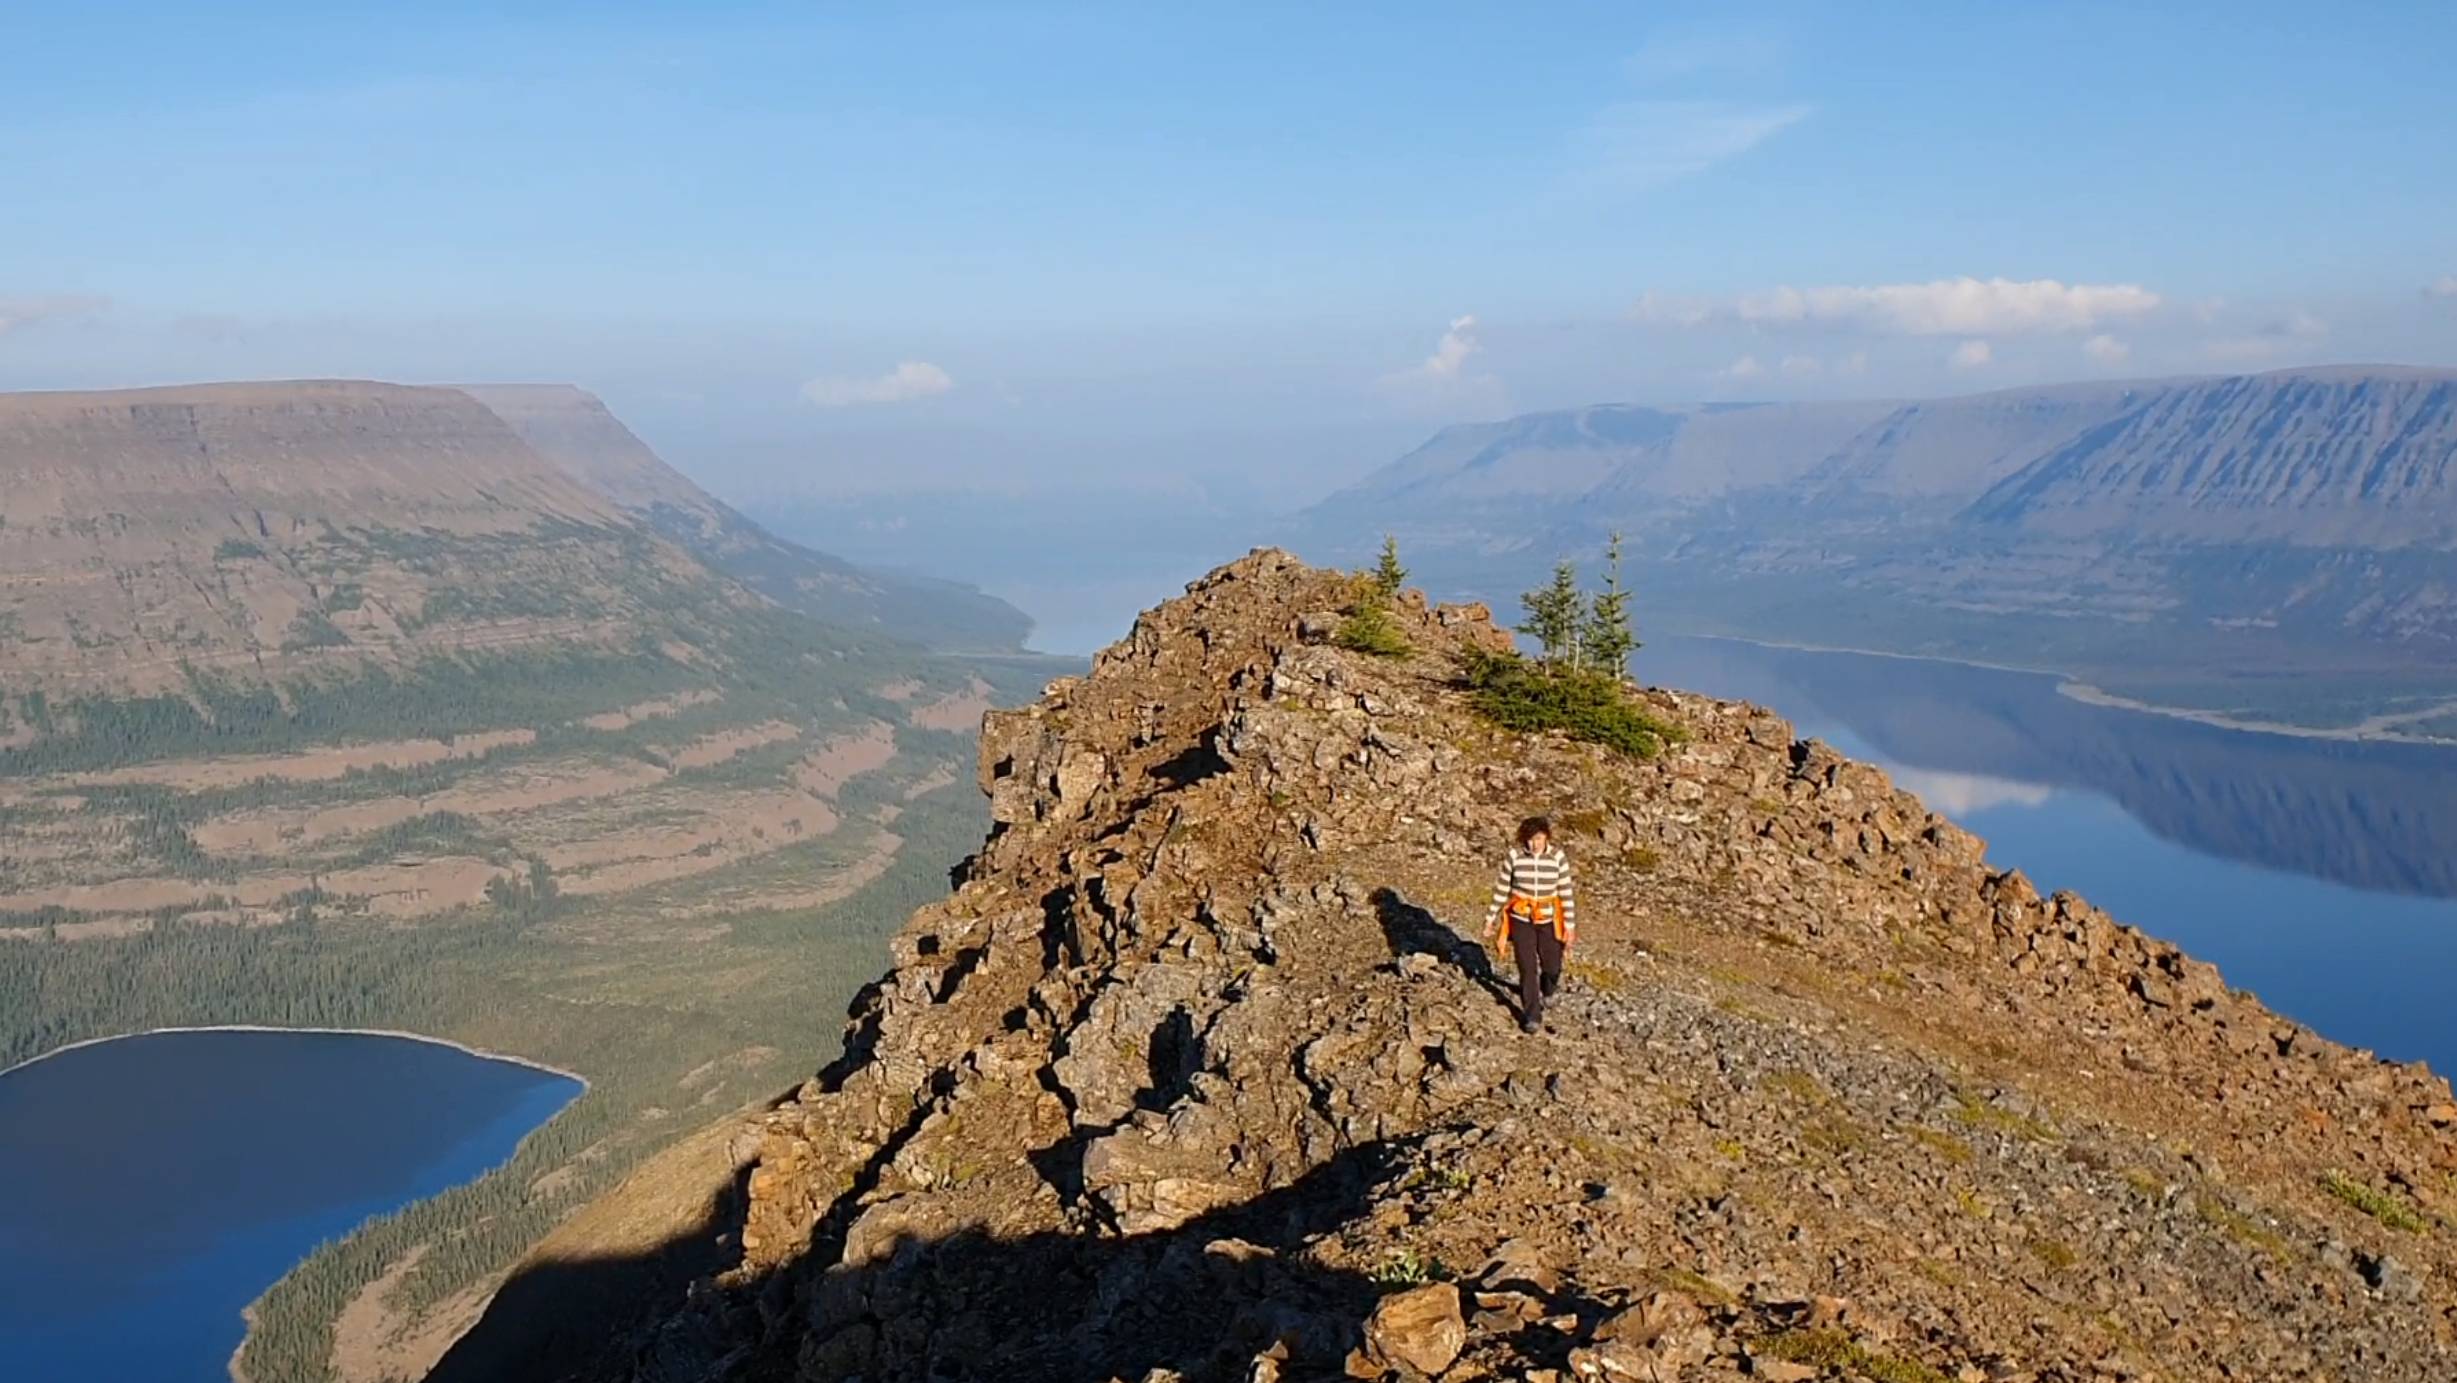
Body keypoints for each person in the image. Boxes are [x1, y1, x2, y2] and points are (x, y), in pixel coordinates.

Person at [1482, 816, 1577, 1032]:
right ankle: (1532, 1014)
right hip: (1521, 918)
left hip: (1548, 918)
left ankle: (1549, 988)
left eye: (1539, 838)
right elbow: (1502, 889)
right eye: (1531, 839)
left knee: (1552, 964)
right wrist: (1490, 918)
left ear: (1546, 837)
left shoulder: (1557, 858)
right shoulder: (1514, 857)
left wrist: (1569, 926)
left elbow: (1566, 893)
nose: (1535, 844)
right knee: (1527, 966)